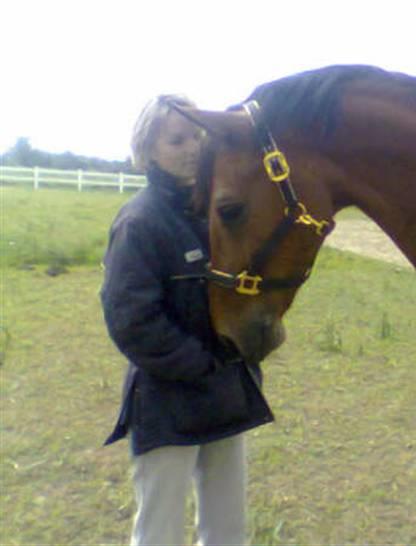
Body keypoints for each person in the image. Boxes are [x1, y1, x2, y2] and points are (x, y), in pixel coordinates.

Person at [101, 94, 274, 546]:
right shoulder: (139, 222)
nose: (192, 148)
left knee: (227, 529)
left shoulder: (215, 213)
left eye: (197, 136)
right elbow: (131, 320)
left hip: (225, 393)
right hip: (168, 400)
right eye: (177, 139)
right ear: (149, 150)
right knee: (159, 531)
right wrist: (201, 364)